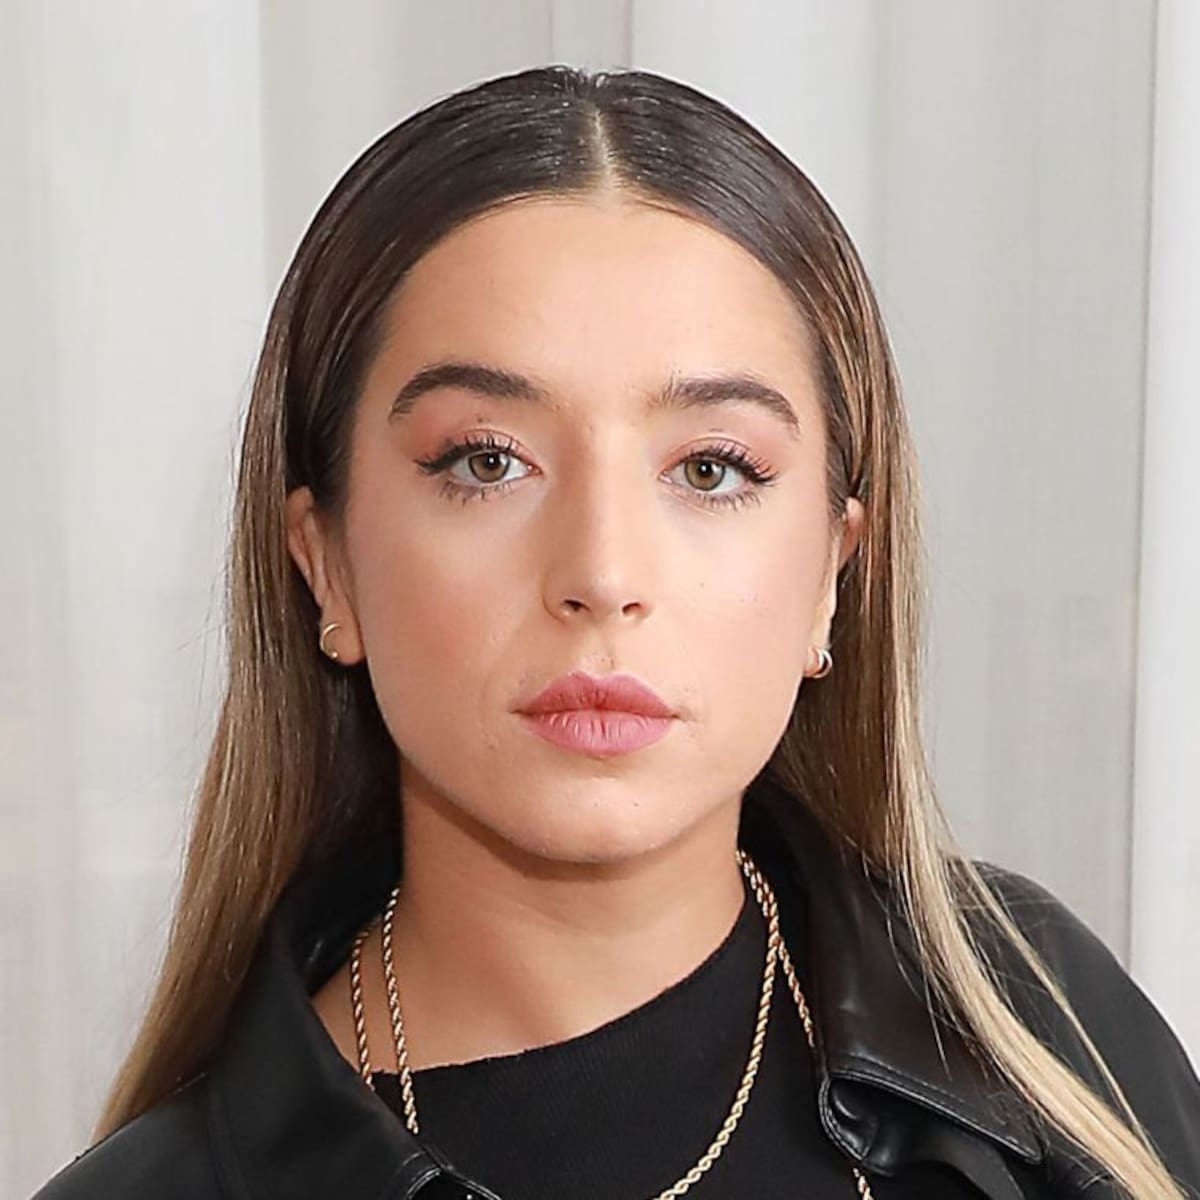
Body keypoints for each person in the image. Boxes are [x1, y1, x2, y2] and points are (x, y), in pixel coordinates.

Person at [30, 64, 1199, 1200]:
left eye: (711, 468)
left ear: (831, 575)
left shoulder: (1039, 1026)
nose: (602, 574)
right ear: (324, 561)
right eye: (488, 462)